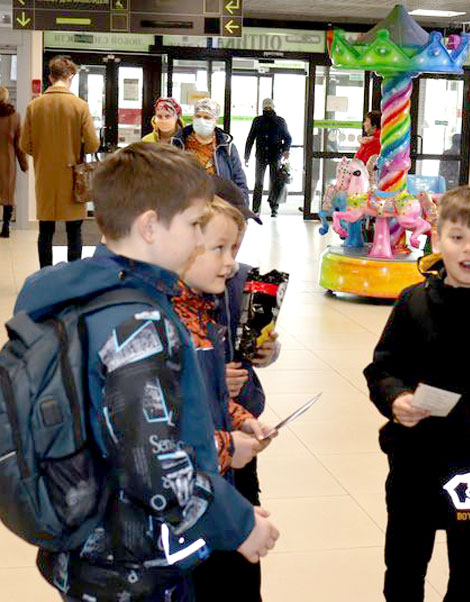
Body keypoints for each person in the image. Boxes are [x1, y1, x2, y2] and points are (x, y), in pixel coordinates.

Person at [13, 143, 279, 602]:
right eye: (194, 225)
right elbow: (152, 462)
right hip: (134, 557)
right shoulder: (138, 323)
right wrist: (237, 524)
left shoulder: (67, 291)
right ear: (151, 226)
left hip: (81, 538)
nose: (198, 241)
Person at [364, 186, 470, 602]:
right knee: (404, 566)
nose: (469, 249)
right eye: (457, 237)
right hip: (414, 460)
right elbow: (382, 367)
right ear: (438, 239)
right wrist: (396, 399)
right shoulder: (413, 303)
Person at [173, 189, 276, 602]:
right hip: (193, 486)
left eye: (235, 244)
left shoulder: (225, 291)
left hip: (227, 459)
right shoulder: (161, 322)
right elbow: (160, 436)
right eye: (220, 247)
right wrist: (228, 445)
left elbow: (208, 396)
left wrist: (240, 417)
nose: (231, 260)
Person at [21, 55, 100, 268]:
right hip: (73, 177)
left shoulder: (34, 106)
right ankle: (72, 278)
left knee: (45, 231)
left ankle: (45, 276)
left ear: (50, 77)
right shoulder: (80, 106)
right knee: (74, 231)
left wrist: (44, 154)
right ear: (70, 77)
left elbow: (24, 145)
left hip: (45, 176)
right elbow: (92, 145)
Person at [176, 98, 249, 200]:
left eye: (207, 117)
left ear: (215, 121)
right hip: (185, 204)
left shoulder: (226, 147)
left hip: (219, 204)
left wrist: (241, 206)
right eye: (198, 116)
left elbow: (239, 181)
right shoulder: (178, 144)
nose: (201, 120)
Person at [244, 98, 292, 218]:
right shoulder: (257, 121)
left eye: (269, 107)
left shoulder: (280, 121)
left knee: (274, 182)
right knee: (258, 183)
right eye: (265, 107)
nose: (267, 109)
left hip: (275, 156)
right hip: (260, 156)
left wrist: (285, 150)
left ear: (273, 107)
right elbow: (250, 138)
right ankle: (255, 209)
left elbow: (288, 138)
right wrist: (246, 156)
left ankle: (274, 209)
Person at [0, 86, 27, 238]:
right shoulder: (15, 117)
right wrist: (24, 165)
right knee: (8, 195)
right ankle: (6, 226)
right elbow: (19, 145)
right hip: (7, 161)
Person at [356, 109, 382, 181]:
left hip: (366, 180)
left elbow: (364, 163)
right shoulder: (370, 140)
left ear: (374, 125)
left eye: (366, 121)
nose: (364, 124)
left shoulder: (373, 142)